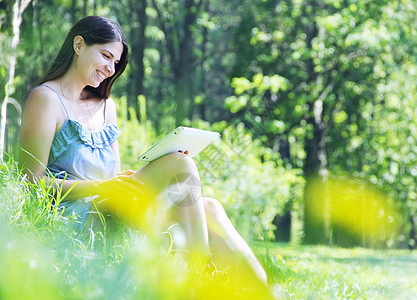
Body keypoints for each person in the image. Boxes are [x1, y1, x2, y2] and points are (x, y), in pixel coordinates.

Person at [19, 16, 268, 290]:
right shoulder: (46, 98)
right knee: (179, 164)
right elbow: (31, 183)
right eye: (106, 56)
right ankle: (197, 282)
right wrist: (105, 186)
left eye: (115, 62)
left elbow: (115, 177)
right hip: (76, 221)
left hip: (110, 208)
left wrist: (153, 173)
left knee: (210, 207)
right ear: (79, 44)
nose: (111, 68)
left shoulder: (106, 106)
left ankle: (262, 291)